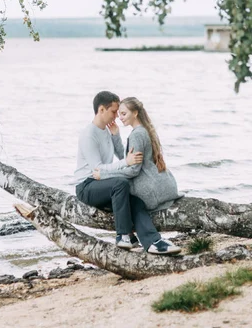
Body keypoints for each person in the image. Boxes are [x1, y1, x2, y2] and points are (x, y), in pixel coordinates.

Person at [74, 91, 181, 255]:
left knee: (136, 202)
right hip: (87, 185)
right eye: (114, 112)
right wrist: (127, 163)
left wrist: (116, 136)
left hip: (105, 183)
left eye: (119, 112)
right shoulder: (89, 134)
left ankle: (153, 241)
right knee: (121, 183)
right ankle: (122, 235)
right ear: (101, 110)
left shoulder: (106, 131)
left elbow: (120, 155)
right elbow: (98, 168)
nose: (116, 116)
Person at [92, 96, 181, 212]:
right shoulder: (145, 129)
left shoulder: (137, 135)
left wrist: (103, 174)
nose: (120, 118)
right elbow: (128, 160)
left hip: (150, 191)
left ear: (135, 113)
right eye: (119, 114)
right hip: (165, 185)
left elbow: (133, 170)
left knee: (112, 190)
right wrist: (116, 136)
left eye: (123, 114)